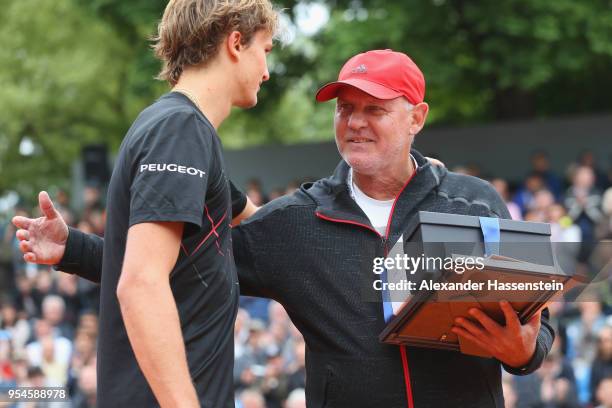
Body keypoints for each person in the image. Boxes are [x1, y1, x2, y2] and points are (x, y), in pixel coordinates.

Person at [14, 49, 553, 407]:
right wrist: (71, 249)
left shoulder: (472, 201)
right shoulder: (296, 220)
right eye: (344, 109)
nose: (355, 122)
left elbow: (537, 320)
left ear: (416, 117)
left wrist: (523, 351)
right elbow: (175, 268)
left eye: (374, 109)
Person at [14, 0, 277, 406]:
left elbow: (261, 227)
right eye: (267, 49)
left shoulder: (182, 132)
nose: (267, 70)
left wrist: (75, 249)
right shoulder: (179, 130)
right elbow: (140, 286)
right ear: (236, 43)